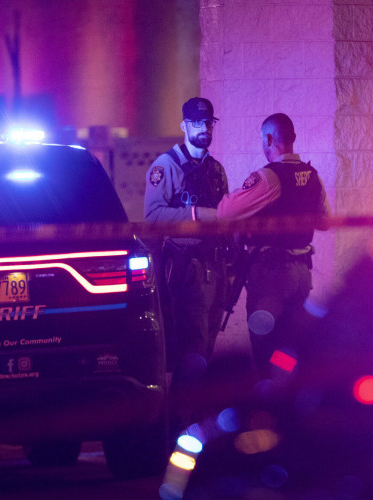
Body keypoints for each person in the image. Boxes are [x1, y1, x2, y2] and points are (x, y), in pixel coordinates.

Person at [216, 113, 330, 377]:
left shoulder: (268, 177)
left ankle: (268, 409)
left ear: (269, 138)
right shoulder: (312, 175)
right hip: (302, 273)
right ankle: (288, 399)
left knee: (265, 348)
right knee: (289, 349)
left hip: (271, 275)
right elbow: (324, 222)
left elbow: (225, 211)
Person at [143, 97, 229, 426]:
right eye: (197, 123)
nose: (204, 128)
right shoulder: (166, 166)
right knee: (191, 346)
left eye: (208, 123)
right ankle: (179, 422)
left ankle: (194, 418)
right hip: (186, 267)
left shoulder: (215, 169)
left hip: (216, 264)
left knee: (206, 345)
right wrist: (199, 215)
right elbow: (153, 217)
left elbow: (227, 214)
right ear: (184, 126)